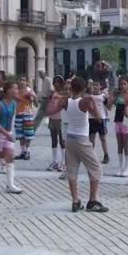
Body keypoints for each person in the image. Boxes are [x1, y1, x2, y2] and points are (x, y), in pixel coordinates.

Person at [46, 77, 109, 212]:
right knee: (96, 168)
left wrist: (53, 99)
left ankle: (75, 201)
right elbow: (98, 117)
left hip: (69, 138)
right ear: (84, 88)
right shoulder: (85, 101)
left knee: (72, 170)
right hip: (82, 139)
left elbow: (50, 111)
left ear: (72, 88)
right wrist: (91, 100)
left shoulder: (65, 101)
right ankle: (93, 201)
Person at [110, 76, 128, 177]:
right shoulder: (118, 94)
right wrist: (112, 96)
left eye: (124, 84)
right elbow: (110, 105)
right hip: (118, 120)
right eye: (121, 84)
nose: (122, 86)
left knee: (126, 144)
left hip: (127, 121)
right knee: (119, 144)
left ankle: (127, 168)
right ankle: (120, 168)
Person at [89, 80, 111, 164]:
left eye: (97, 85)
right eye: (93, 85)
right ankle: (91, 156)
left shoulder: (103, 96)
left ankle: (106, 155)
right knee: (91, 138)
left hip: (102, 119)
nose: (95, 87)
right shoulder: (89, 96)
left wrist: (108, 97)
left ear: (100, 87)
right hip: (91, 119)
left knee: (103, 138)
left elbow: (108, 106)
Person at [47, 76, 67, 171]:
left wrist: (52, 110)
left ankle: (63, 162)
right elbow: (48, 104)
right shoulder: (52, 93)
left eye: (58, 82)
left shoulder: (65, 93)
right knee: (53, 139)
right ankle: (54, 161)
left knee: (62, 141)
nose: (55, 84)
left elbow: (62, 106)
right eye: (54, 82)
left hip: (61, 119)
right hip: (52, 118)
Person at [13, 77, 35, 161]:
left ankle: (27, 151)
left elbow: (36, 103)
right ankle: (22, 152)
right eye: (20, 80)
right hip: (18, 114)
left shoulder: (30, 91)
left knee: (28, 135)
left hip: (27, 115)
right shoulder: (16, 91)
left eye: (24, 80)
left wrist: (31, 97)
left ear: (27, 82)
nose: (22, 82)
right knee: (20, 134)